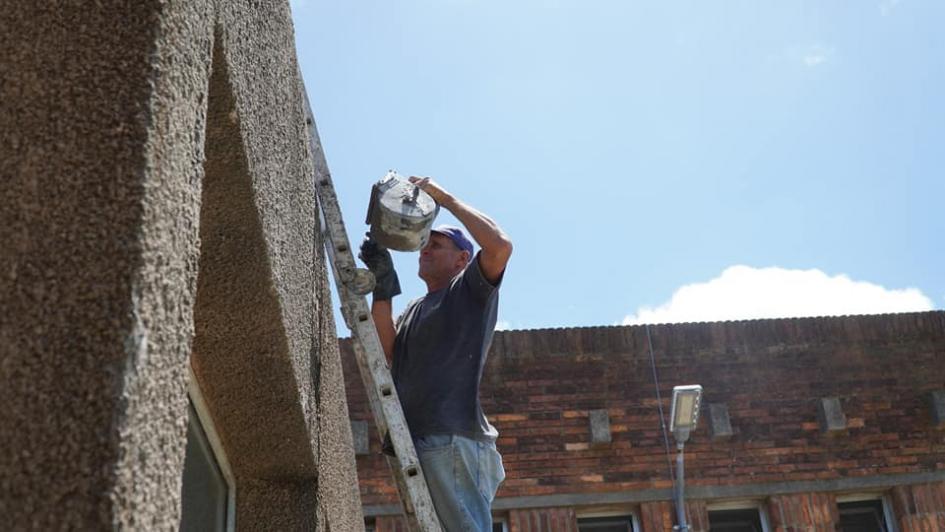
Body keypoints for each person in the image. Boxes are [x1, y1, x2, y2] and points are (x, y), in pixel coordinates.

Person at [359, 176, 513, 531]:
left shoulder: (468, 291)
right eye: (424, 244)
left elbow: (500, 247)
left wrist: (444, 198)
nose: (424, 249)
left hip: (453, 439)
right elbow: (389, 351)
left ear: (462, 259)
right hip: (423, 437)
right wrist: (383, 285)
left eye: (436, 244)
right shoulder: (417, 307)